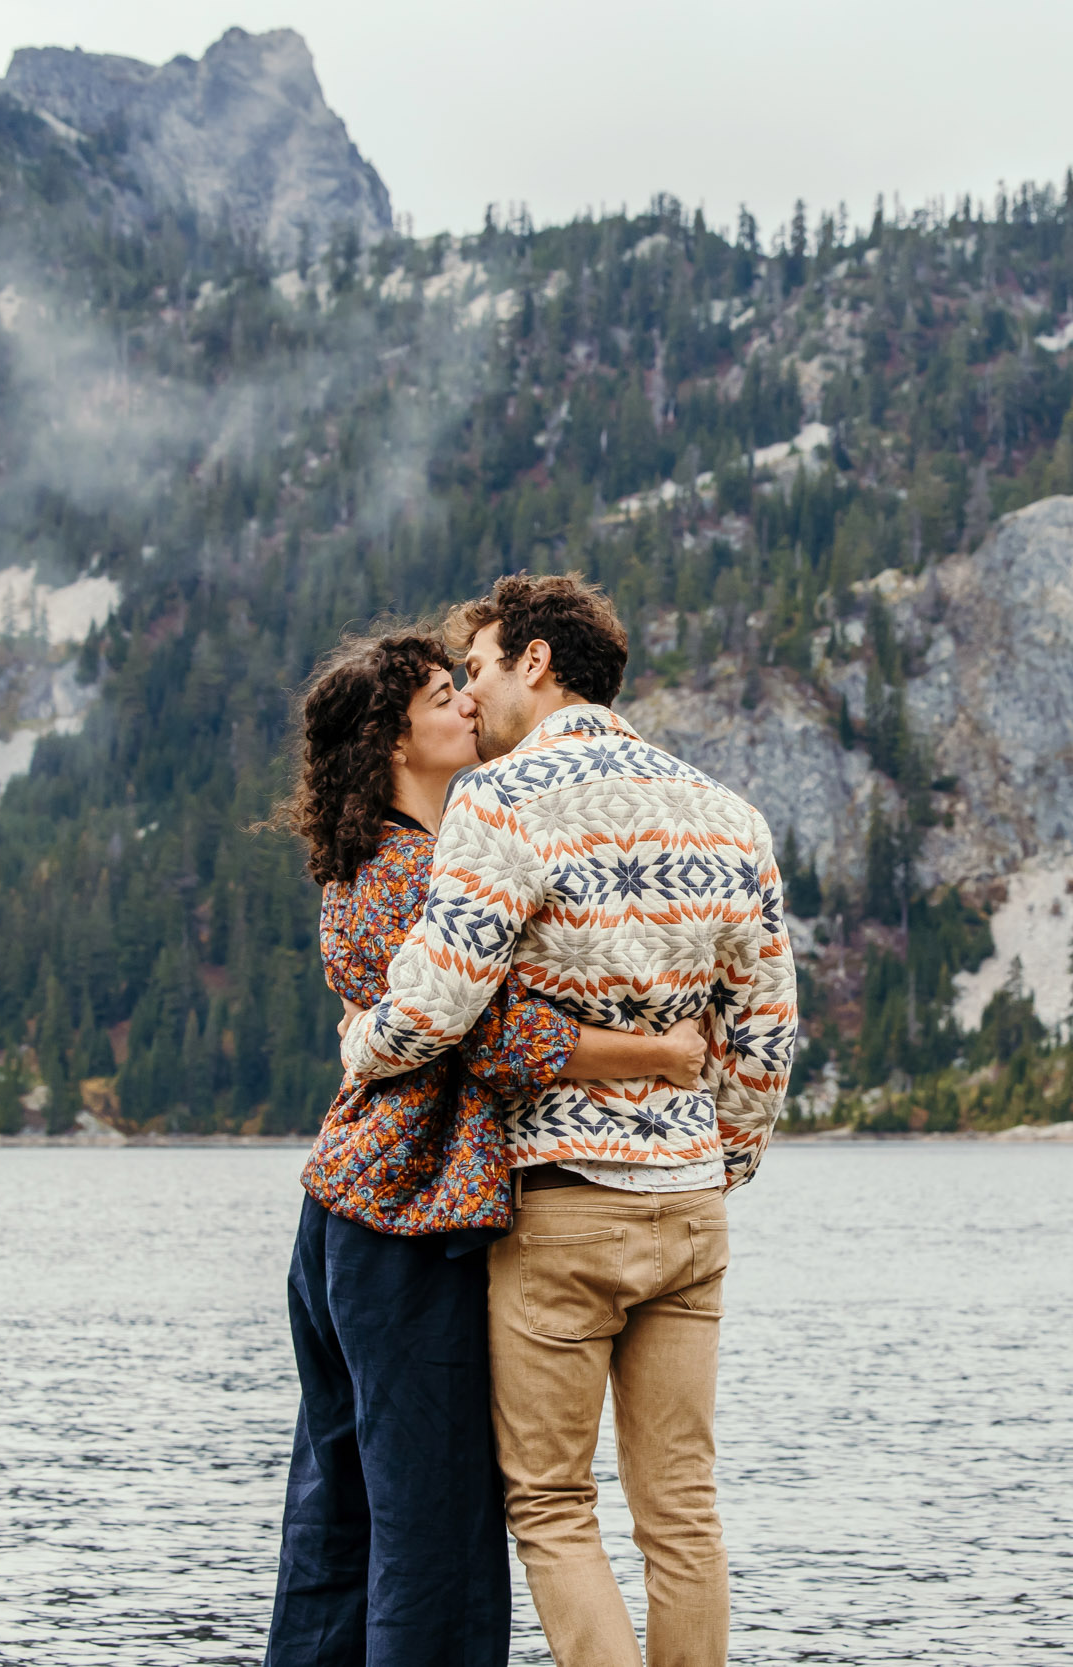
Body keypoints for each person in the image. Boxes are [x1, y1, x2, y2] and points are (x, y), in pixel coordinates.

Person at [339, 575, 798, 1667]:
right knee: (681, 1506)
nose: (476, 692)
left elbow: (439, 1000)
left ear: (536, 661)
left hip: (560, 1206)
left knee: (549, 1502)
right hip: (688, 1205)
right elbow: (767, 1035)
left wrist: (362, 1038)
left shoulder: (500, 801)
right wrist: (712, 1153)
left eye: (484, 666)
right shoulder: (730, 814)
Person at [265, 627, 709, 1667]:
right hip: (408, 1225)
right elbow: (501, 1033)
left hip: (344, 1221)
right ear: (391, 743)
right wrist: (661, 1045)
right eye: (438, 696)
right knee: (436, 1529)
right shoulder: (414, 869)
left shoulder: (370, 862)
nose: (468, 702)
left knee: (340, 1519)